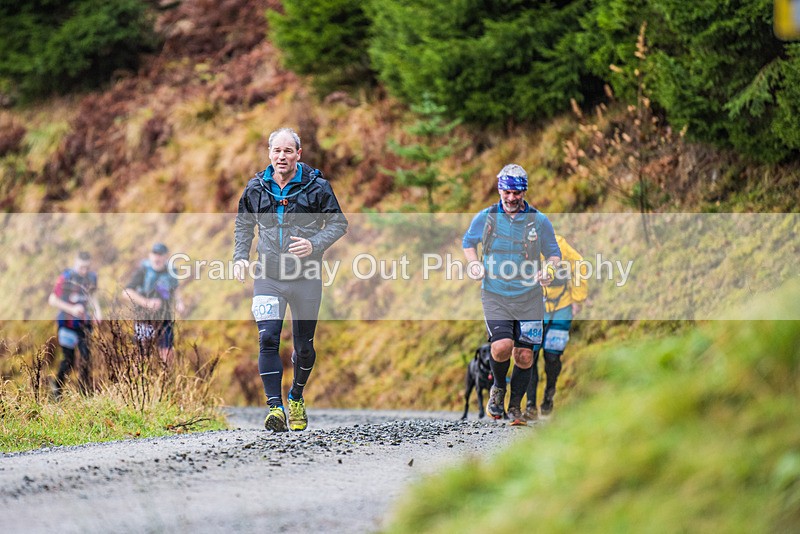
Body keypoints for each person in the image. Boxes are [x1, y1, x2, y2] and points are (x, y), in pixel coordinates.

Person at [234, 127, 348, 432]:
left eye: (288, 151)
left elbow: (339, 223)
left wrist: (315, 244)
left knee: (304, 347)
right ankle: (275, 408)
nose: (281, 156)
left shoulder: (317, 186)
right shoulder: (256, 187)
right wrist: (240, 257)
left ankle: (296, 396)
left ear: (298, 154)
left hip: (306, 277)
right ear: (269, 153)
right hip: (268, 275)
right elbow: (244, 223)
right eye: (276, 151)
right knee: (268, 337)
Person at [463, 164, 561, 426]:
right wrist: (474, 264)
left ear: (524, 192)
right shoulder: (486, 217)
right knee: (502, 346)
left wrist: (549, 269)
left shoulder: (539, 221)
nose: (511, 198)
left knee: (525, 355)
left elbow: (554, 253)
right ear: (499, 190)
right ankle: (498, 390)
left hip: (529, 296)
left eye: (517, 193)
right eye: (507, 192)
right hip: (495, 294)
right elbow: (468, 243)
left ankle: (516, 406)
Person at [525, 234, 588, 421]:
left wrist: (578, 298)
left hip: (561, 307)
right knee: (529, 356)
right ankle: (530, 404)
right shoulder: (519, 246)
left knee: (552, 357)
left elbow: (580, 265)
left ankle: (549, 395)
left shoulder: (559, 244)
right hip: (532, 307)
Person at [48, 251, 102, 399]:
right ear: (75, 263)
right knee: (68, 360)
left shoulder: (91, 277)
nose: (84, 270)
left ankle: (84, 395)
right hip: (67, 325)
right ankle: (57, 391)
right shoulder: (66, 278)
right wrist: (71, 308)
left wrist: (97, 311)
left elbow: (93, 295)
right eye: (81, 267)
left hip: (84, 325)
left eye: (86, 267)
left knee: (86, 358)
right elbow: (52, 299)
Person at [122, 242, 184, 364]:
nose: (157, 258)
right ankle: (139, 381)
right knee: (142, 355)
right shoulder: (143, 271)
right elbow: (126, 292)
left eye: (160, 255)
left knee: (167, 354)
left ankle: (166, 380)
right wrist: (146, 302)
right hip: (144, 319)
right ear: (150, 256)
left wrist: (179, 302)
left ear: (166, 257)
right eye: (155, 254)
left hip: (165, 319)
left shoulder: (171, 271)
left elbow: (175, 288)